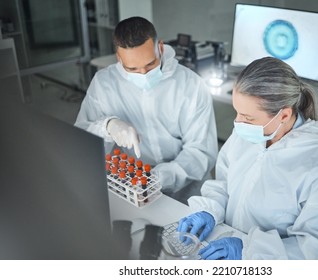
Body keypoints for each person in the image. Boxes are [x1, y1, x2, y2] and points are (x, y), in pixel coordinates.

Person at [177, 57, 318, 259]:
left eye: (248, 117)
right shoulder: (248, 135)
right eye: (237, 112)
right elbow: (224, 182)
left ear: (283, 116)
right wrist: (209, 211)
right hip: (222, 240)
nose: (238, 123)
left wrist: (251, 251)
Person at [75, 17, 218, 203]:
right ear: (119, 57)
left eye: (150, 64)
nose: (143, 74)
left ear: (160, 47)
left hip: (186, 193)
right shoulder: (104, 84)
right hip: (130, 187)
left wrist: (155, 179)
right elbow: (81, 144)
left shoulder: (191, 85)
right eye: (132, 68)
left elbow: (201, 152)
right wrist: (107, 126)